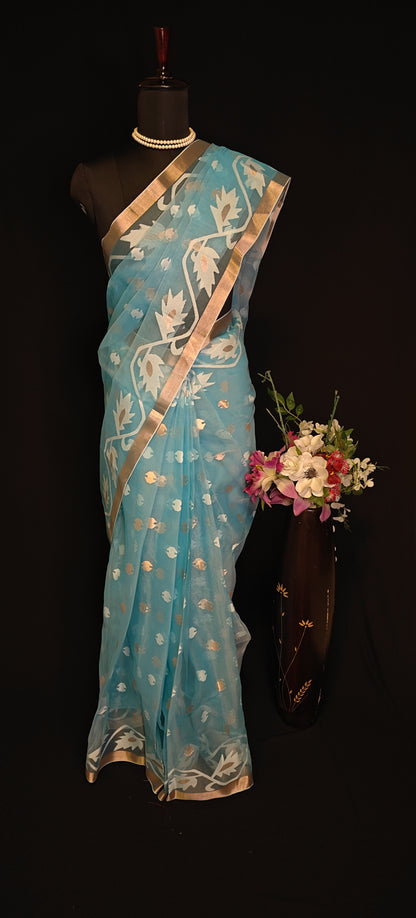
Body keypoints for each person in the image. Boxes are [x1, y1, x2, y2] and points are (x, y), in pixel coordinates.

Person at [70, 29, 290, 800]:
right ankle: (139, 722)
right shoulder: (95, 178)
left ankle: (206, 733)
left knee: (207, 562)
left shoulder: (239, 182)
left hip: (216, 402)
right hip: (137, 406)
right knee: (142, 546)